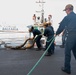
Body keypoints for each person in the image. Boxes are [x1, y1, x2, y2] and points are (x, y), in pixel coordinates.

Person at [55, 4, 76, 74]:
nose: (65, 12)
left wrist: (57, 33)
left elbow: (62, 26)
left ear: (68, 10)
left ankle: (67, 68)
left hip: (71, 36)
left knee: (67, 52)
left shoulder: (67, 17)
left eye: (65, 10)